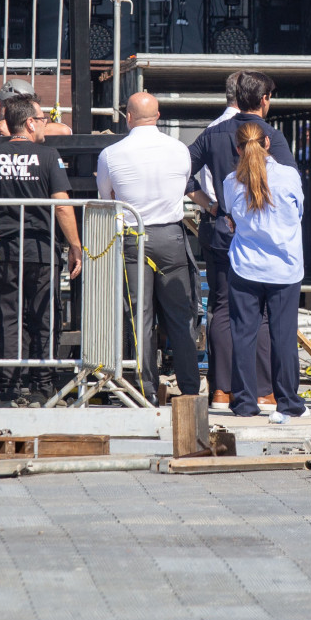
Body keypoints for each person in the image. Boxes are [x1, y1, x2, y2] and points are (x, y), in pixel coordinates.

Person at [188, 71, 292, 411]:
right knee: (259, 316)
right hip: (262, 239)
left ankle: (221, 391)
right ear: (263, 100)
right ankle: (263, 390)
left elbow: (180, 171)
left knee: (220, 308)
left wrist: (209, 203)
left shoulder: (212, 133)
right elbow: (289, 190)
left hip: (222, 230)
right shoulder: (271, 136)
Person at [0, 94, 83, 394]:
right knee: (44, 316)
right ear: (30, 123)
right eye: (43, 119)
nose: (45, 124)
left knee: (6, 317)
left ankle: (7, 386)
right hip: (42, 250)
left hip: (3, 251)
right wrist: (75, 246)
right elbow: (62, 205)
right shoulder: (48, 156)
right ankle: (42, 385)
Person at [95, 91, 200, 396]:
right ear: (158, 115)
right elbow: (183, 185)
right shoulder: (179, 150)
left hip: (133, 238)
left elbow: (107, 199)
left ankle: (147, 392)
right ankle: (190, 391)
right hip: (171, 237)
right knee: (181, 319)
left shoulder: (111, 154)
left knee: (139, 319)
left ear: (128, 116)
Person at [221, 121, 307, 424]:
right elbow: (298, 214)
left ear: (237, 147)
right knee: (283, 337)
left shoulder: (231, 181)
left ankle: (244, 402)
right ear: (267, 143)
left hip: (246, 266)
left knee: (243, 335)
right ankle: (288, 403)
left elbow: (230, 216)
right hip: (284, 268)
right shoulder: (289, 176)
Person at [0, 77, 74, 137]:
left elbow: (63, 130)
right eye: (9, 105)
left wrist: (15, 133)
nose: (14, 110)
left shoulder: (35, 127)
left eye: (21, 106)